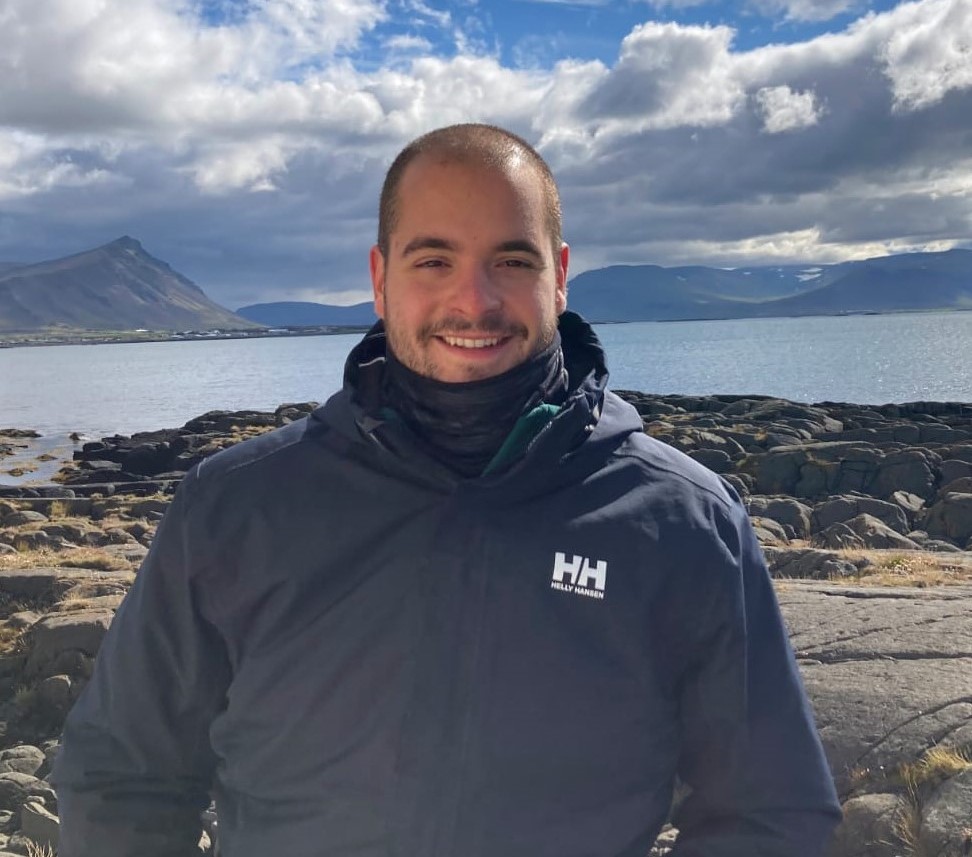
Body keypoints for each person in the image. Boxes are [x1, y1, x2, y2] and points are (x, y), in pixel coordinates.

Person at [53, 123, 842, 856]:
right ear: (380, 278)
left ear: (559, 276)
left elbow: (771, 809)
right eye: (433, 261)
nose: (474, 301)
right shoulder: (237, 505)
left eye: (513, 261)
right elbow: (121, 772)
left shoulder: (683, 522)